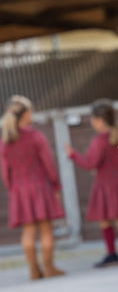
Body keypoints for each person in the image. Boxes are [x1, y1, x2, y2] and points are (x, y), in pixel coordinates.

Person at [0, 95, 65, 280]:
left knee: (28, 231)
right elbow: (48, 164)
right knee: (46, 229)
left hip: (19, 189)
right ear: (27, 114)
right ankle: (49, 268)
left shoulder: (6, 140)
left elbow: (5, 171)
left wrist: (12, 188)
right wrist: (56, 185)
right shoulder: (36, 136)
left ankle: (34, 270)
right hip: (40, 186)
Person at [65, 99, 118, 267]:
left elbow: (90, 163)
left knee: (105, 219)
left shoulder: (100, 140)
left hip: (105, 184)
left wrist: (73, 155)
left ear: (99, 120)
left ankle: (111, 254)